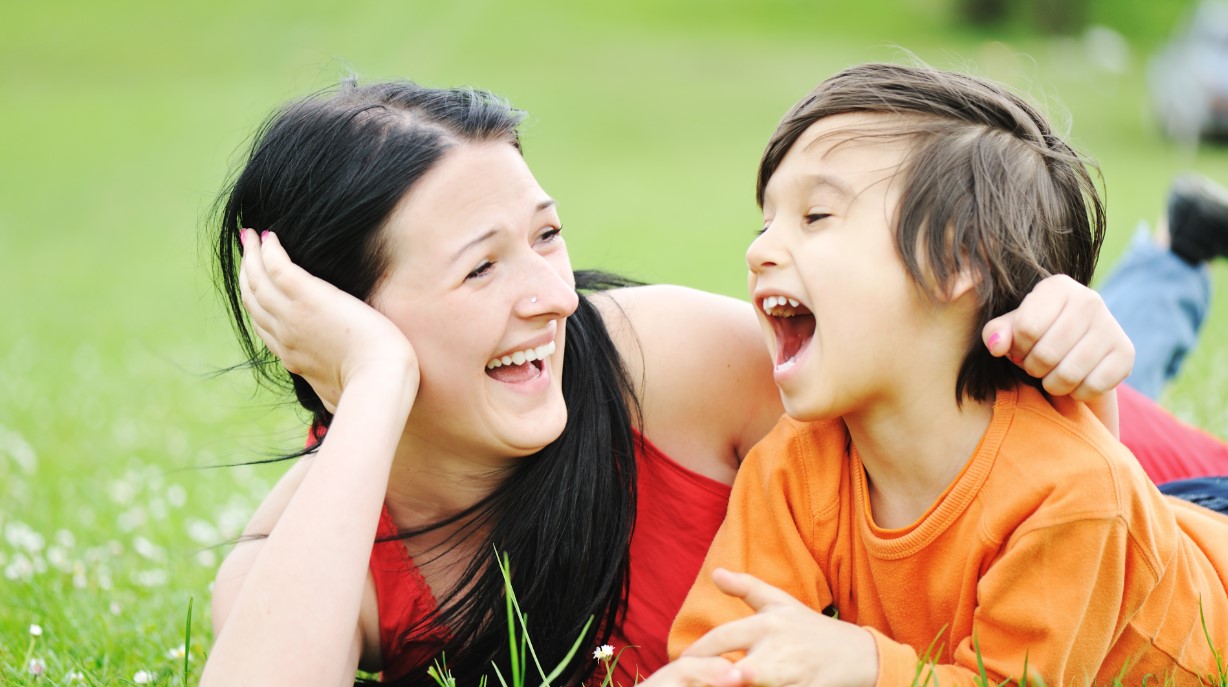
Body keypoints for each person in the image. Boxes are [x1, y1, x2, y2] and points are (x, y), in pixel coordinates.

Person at [199, 79, 1141, 687]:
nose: (552, 297)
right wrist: (374, 385)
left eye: (548, 237)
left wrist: (1074, 351)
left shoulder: (675, 360)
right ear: (343, 322)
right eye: (481, 268)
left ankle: (1160, 277)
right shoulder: (313, 551)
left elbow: (1008, 453)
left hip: (1137, 507)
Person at [665, 63, 1228, 685]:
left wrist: (869, 667)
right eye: (765, 222)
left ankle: (1175, 253)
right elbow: (721, 647)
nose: (759, 249)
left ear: (958, 261)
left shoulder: (1073, 494)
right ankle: (1179, 251)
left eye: (816, 216)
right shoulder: (797, 463)